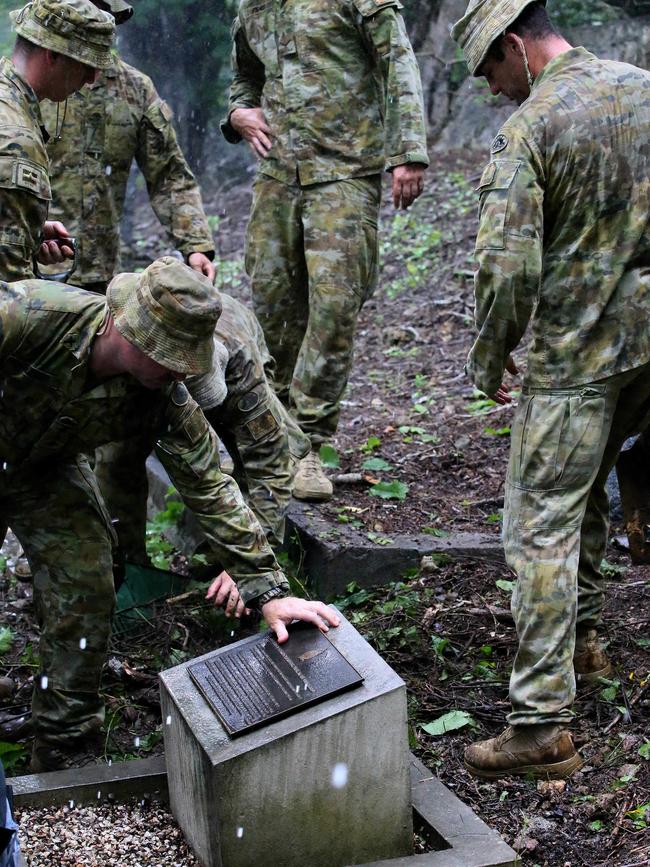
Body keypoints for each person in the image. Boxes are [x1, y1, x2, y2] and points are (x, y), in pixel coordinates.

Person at [0, 257, 339, 772]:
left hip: (43, 467)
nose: (184, 370)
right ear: (134, 333)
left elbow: (210, 485)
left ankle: (65, 741)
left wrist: (267, 590)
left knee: (87, 581)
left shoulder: (166, 397)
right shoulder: (27, 315)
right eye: (175, 357)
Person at [451, 0, 650, 780]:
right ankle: (585, 644)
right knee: (594, 483)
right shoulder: (644, 86)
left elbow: (506, 268)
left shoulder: (531, 129)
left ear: (514, 47)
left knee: (540, 524)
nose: (495, 89)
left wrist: (490, 354)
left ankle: (538, 725)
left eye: (492, 71)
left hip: (580, 355)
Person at [222, 0, 429, 501]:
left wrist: (408, 152)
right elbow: (244, 78)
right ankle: (269, 437)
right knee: (272, 306)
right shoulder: (252, 5)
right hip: (277, 176)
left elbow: (397, 61)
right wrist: (238, 115)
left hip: (344, 171)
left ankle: (309, 443)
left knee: (335, 308)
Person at [94, 290, 311, 558]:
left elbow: (269, 465)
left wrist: (253, 557)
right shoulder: (130, 345)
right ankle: (127, 563)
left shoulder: (243, 376)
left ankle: (237, 550)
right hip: (149, 378)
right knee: (118, 457)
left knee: (258, 451)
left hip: (237, 340)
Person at [40, 0, 215, 293]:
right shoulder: (30, 82)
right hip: (24, 270)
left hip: (101, 272)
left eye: (101, 14)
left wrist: (195, 245)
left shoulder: (134, 89)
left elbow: (169, 177)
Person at [0, 0, 115, 281]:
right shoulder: (16, 139)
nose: (91, 79)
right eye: (86, 64)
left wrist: (28, 233)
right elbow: (9, 294)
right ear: (52, 54)